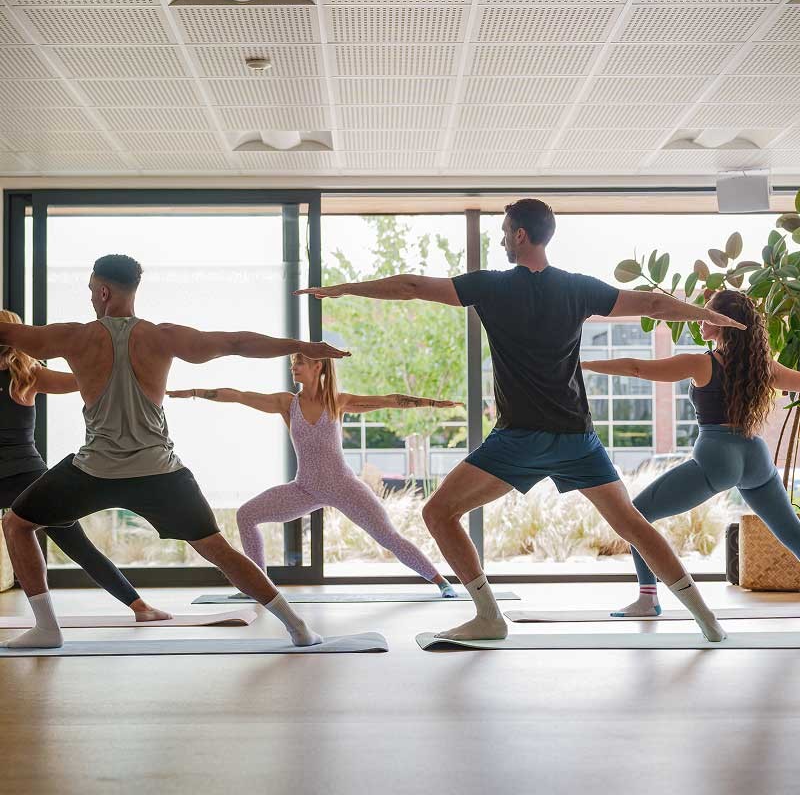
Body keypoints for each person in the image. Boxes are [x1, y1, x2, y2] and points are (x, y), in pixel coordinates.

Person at [296, 198, 745, 642]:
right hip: (576, 438)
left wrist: (344, 289)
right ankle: (707, 619)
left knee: (438, 512)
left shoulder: (491, 286)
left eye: (505, 232)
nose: (501, 241)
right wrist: (706, 315)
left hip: (520, 440)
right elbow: (652, 304)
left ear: (521, 235)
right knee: (632, 525)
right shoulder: (578, 287)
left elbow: (412, 286)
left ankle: (489, 615)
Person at [0, 254, 348, 649]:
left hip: (94, 470)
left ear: (102, 290)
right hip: (160, 472)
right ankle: (298, 627)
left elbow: (8, 334)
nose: (91, 300)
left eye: (91, 292)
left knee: (17, 525)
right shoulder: (163, 337)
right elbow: (237, 342)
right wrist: (305, 346)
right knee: (218, 549)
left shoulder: (73, 337)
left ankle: (47, 629)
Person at [168, 352, 461, 597]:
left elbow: (390, 400)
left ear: (317, 366)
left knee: (388, 536)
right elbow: (239, 396)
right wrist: (195, 393)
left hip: (344, 486)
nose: (293, 367)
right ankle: (258, 587)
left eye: (299, 362)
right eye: (292, 362)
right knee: (246, 515)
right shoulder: (287, 403)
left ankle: (441, 582)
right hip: (305, 489)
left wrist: (433, 403)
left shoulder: (338, 401)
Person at [582, 289, 800, 617]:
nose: (701, 320)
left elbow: (636, 368)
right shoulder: (761, 366)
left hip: (717, 458)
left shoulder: (701, 363)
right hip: (756, 458)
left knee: (636, 516)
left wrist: (580, 363)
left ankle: (648, 598)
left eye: (707, 315)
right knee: (793, 534)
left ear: (724, 323)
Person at [0, 309, 170, 621]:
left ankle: (139, 606)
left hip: (26, 476)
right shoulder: (31, 375)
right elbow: (86, 381)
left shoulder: (28, 374)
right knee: (77, 545)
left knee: (76, 544)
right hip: (27, 474)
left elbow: (84, 381)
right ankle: (141, 608)